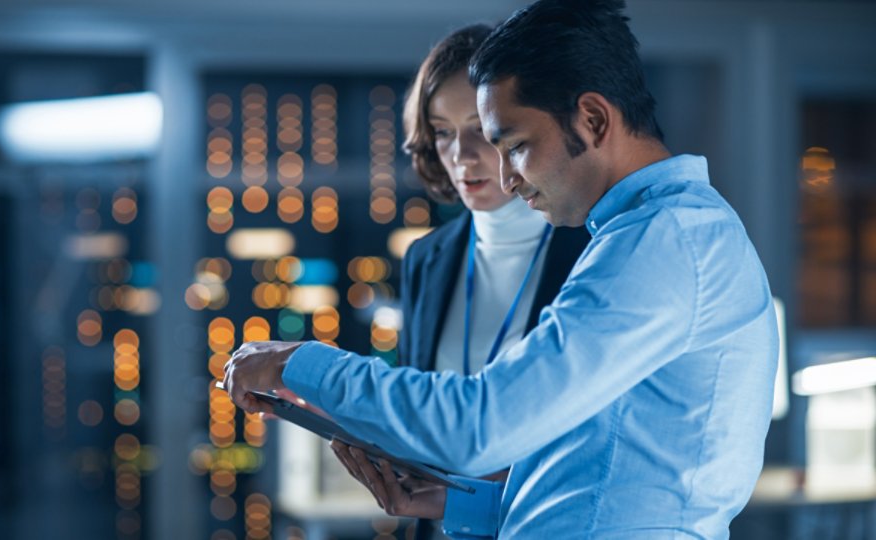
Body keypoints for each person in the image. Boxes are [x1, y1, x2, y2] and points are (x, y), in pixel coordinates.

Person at [224, 0, 779, 537]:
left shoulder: (664, 242)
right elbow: (607, 489)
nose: (507, 178)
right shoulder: (642, 236)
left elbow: (480, 426)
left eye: (514, 145)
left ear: (591, 119)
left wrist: (298, 362)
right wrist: (469, 504)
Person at [329, 24, 590, 539]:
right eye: (443, 132)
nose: (462, 155)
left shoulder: (590, 248)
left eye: (483, 129)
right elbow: (422, 407)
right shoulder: (428, 258)